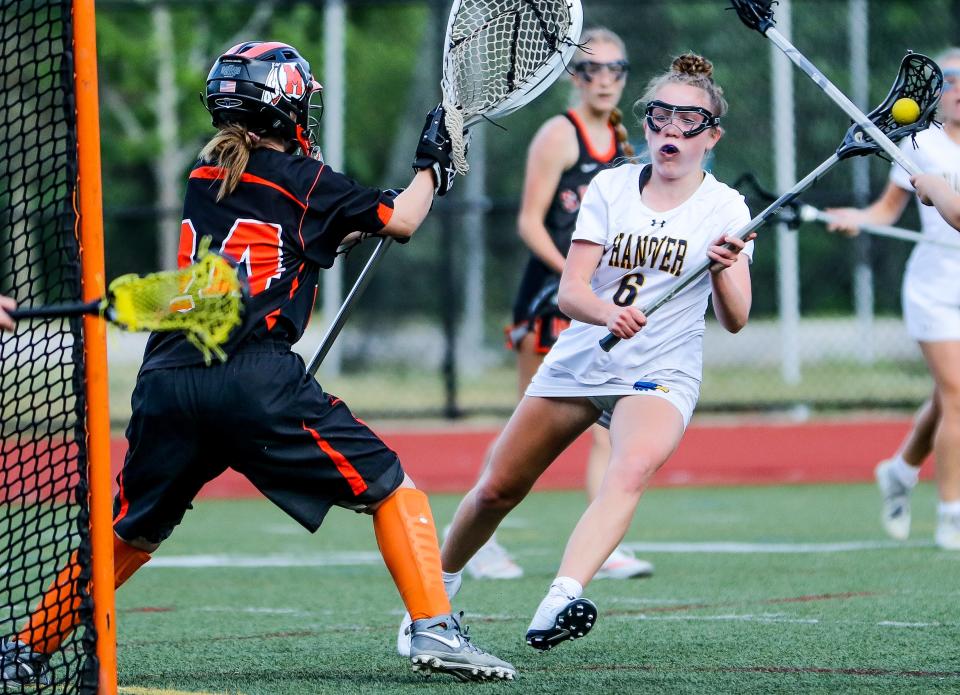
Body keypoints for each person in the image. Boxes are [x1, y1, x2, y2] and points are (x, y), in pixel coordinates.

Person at [0, 41, 515, 686]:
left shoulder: (204, 177)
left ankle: (24, 647)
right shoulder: (310, 183)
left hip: (168, 378)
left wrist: (371, 212)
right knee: (390, 484)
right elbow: (402, 219)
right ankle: (434, 628)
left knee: (131, 527)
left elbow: (309, 230)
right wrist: (429, 167)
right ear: (288, 106)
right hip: (255, 379)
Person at [424, 52, 754, 652]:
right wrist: (608, 312)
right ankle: (430, 602)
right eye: (660, 116)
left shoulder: (726, 208)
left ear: (712, 135)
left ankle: (560, 597)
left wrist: (726, 271)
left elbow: (735, 319)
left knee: (627, 471)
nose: (672, 130)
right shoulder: (612, 185)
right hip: (584, 357)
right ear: (647, 124)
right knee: (498, 487)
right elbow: (571, 291)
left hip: (660, 370)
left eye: (689, 120)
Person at [468, 27, 653, 583]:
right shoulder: (559, 134)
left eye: (615, 70)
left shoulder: (623, 140)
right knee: (529, 427)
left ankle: (608, 545)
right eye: (592, 69)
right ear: (573, 76)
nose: (604, 80)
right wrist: (573, 278)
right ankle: (479, 542)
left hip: (593, 301)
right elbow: (529, 221)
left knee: (606, 420)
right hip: (551, 296)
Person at [825, 48, 960, 550]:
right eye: (949, 78)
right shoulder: (920, 145)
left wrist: (940, 193)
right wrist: (855, 218)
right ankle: (952, 514)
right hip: (935, 290)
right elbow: (884, 210)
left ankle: (901, 470)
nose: (959, 86)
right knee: (958, 398)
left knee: (948, 399)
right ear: (937, 91)